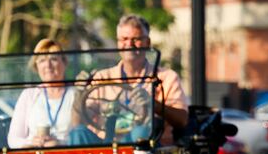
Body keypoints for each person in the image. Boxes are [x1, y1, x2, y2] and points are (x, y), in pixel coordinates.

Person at [70, 14, 188, 144]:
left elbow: (182, 120)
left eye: (135, 39)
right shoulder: (102, 77)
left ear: (147, 43)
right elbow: (76, 122)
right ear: (118, 43)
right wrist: (79, 93)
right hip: (104, 149)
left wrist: (153, 105)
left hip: (146, 150)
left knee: (142, 133)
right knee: (77, 133)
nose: (129, 44)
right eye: (124, 39)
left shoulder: (166, 77)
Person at [7, 39, 77, 147]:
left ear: (64, 63)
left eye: (53, 59)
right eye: (42, 60)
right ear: (36, 66)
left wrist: (59, 145)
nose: (48, 65)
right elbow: (13, 139)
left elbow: (82, 137)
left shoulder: (76, 94)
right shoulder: (29, 95)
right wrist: (30, 142)